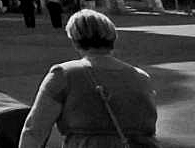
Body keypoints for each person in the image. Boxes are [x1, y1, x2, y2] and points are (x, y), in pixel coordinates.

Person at [17, 9, 160, 147]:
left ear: (75, 40)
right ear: (112, 37)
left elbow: (34, 130)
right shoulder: (141, 77)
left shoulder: (63, 74)